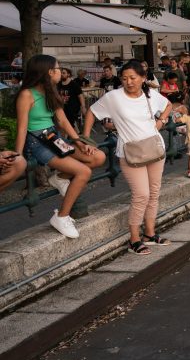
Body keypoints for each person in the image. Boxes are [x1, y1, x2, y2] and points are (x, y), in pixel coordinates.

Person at [83, 61, 173, 255]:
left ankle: (149, 233)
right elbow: (91, 112)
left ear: (142, 77)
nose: (129, 82)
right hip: (129, 152)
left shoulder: (149, 94)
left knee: (154, 192)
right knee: (141, 195)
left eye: (133, 78)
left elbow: (168, 104)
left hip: (155, 148)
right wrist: (87, 139)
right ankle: (134, 239)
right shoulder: (113, 97)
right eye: (124, 79)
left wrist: (161, 121)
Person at [15, 55, 106, 238]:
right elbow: (22, 128)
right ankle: (62, 216)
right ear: (49, 72)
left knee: (98, 157)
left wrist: (79, 142)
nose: (60, 71)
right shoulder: (27, 94)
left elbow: (63, 121)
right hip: (37, 142)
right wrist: (18, 155)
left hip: (53, 138)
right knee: (83, 172)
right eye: (58, 68)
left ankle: (60, 178)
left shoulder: (51, 91)